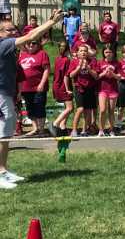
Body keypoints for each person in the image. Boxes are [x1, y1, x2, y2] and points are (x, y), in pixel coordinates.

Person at [0, 11, 64, 188]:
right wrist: (51, 22)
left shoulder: (8, 45)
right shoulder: (4, 44)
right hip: (1, 95)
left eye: (14, 29)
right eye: (9, 30)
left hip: (6, 93)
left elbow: (31, 37)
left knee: (5, 133)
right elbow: (30, 36)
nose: (14, 32)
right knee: (2, 133)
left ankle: (3, 170)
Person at [17, 40, 50, 136]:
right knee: (30, 108)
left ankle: (41, 129)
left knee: (39, 107)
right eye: (28, 43)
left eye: (34, 43)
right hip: (25, 87)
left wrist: (42, 83)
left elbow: (47, 69)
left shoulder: (42, 54)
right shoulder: (22, 55)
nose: (31, 45)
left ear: (37, 44)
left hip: (38, 87)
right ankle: (35, 128)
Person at [68, 44, 98, 137]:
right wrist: (79, 67)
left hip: (90, 88)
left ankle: (84, 130)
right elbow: (71, 75)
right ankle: (74, 130)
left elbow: (96, 76)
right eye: (81, 51)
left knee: (88, 110)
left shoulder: (92, 61)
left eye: (85, 51)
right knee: (80, 109)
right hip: (79, 88)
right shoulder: (74, 62)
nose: (83, 52)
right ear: (77, 53)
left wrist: (88, 68)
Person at [96, 47, 121, 137]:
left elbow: (119, 77)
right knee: (102, 110)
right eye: (106, 52)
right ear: (103, 53)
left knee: (111, 111)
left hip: (113, 90)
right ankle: (101, 130)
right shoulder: (100, 63)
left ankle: (111, 130)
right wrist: (104, 72)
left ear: (113, 53)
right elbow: (97, 76)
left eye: (110, 52)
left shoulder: (117, 63)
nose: (108, 53)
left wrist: (112, 74)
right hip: (102, 89)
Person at [51, 41, 73, 135]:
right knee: (70, 108)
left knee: (67, 107)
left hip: (56, 84)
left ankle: (62, 127)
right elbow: (66, 76)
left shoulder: (58, 59)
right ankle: (55, 123)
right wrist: (67, 89)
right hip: (63, 85)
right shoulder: (66, 60)